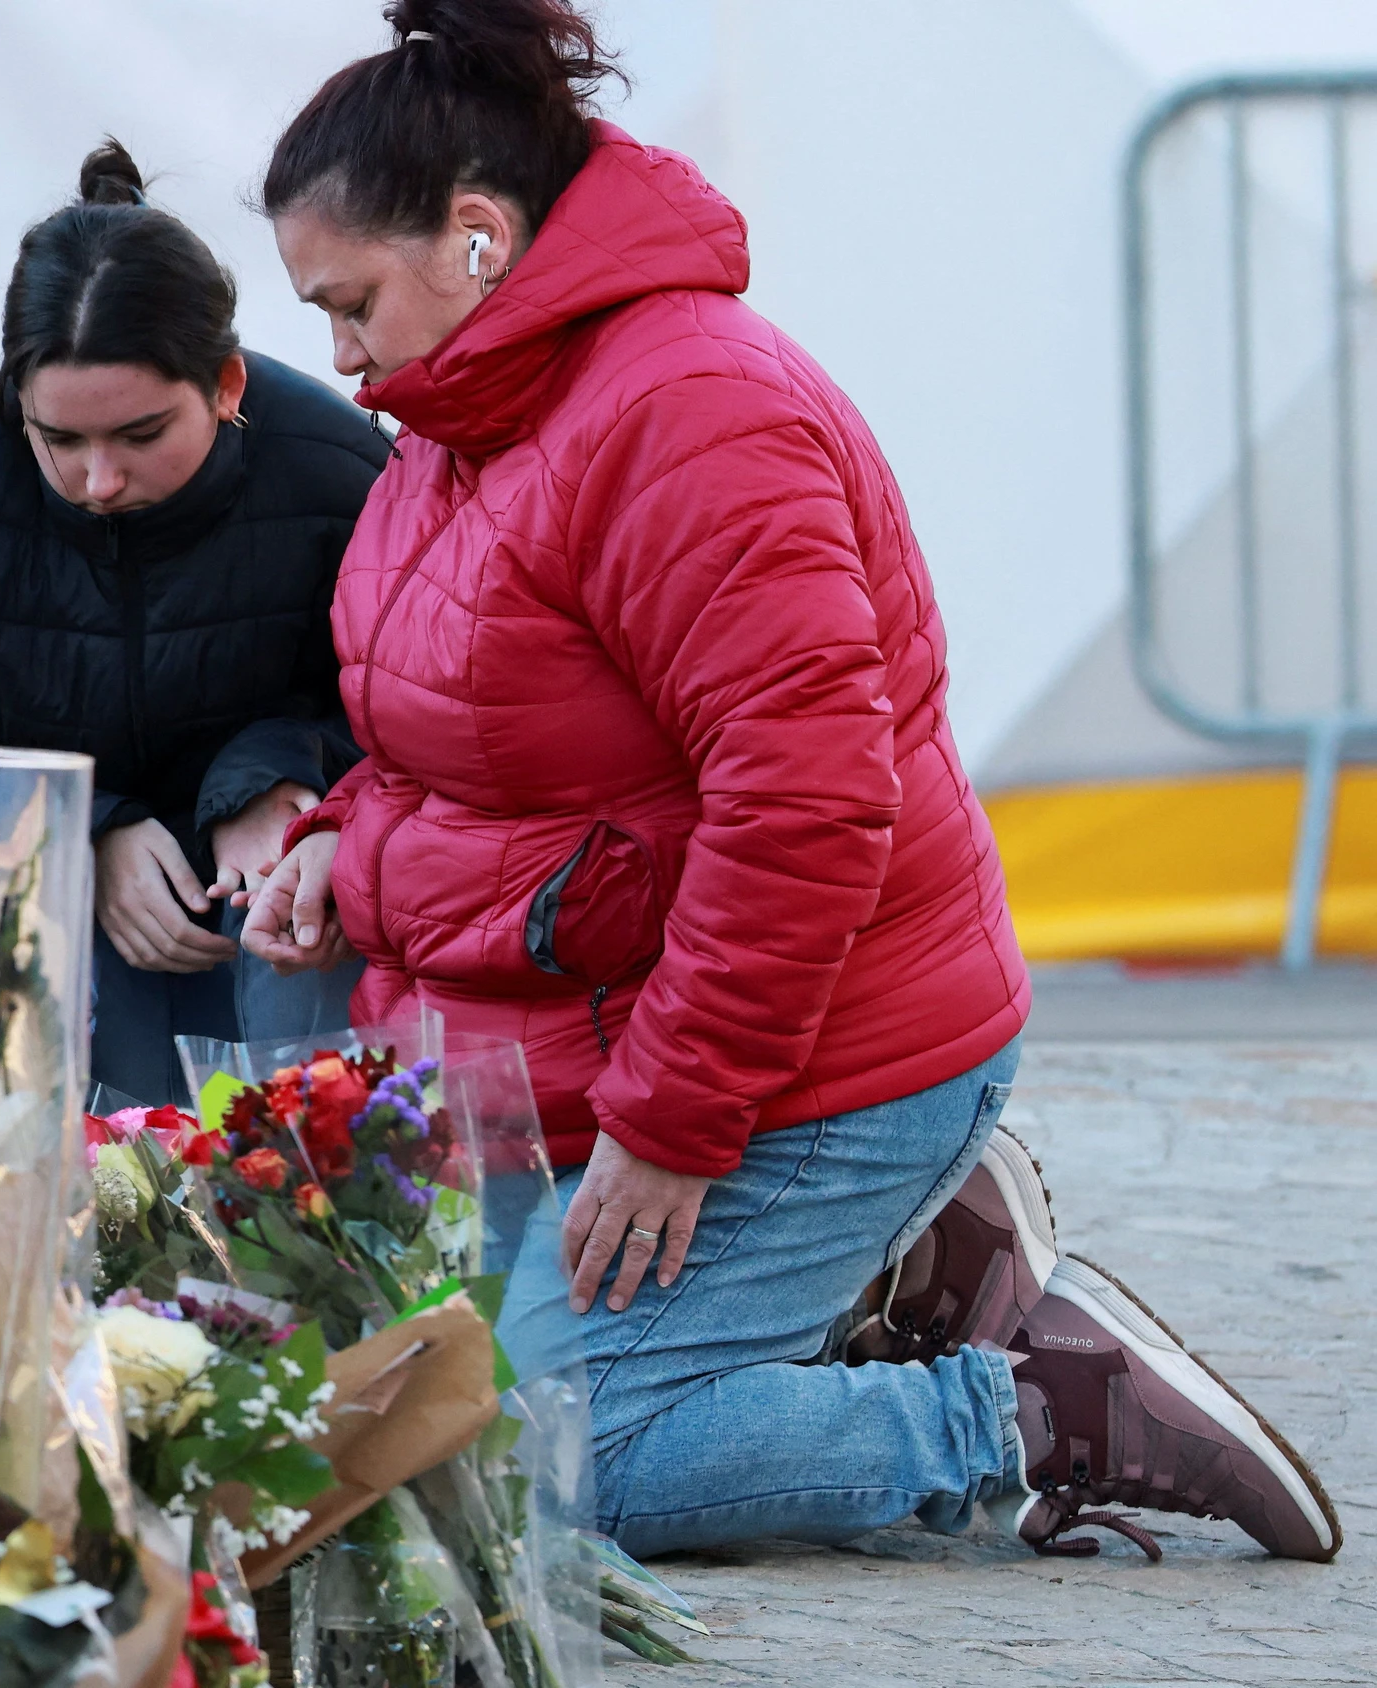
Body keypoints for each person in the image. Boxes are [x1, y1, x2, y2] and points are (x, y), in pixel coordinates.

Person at [241, 0, 1341, 1562]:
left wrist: (676, 1125)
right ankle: (899, 1275)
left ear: (478, 237)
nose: (340, 357)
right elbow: (467, 736)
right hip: (606, 1049)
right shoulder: (463, 419)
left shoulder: (691, 416)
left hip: (804, 1066)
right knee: (382, 1402)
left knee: (549, 1468)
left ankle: (1036, 1409)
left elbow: (806, 804)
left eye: (350, 303)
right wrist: (338, 839)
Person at [0, 141, 389, 1104]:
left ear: (228, 386)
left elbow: (421, 707)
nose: (99, 479)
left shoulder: (340, 472)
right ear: (15, 396)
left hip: (278, 915)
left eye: (141, 434)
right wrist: (78, 836)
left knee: (293, 1135)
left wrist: (282, 780)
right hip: (32, 920)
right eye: (58, 439)